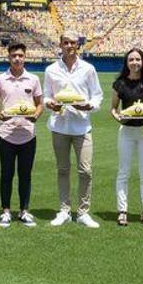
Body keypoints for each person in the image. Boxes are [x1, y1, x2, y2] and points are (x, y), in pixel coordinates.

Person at [43, 32, 103, 229]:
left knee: (85, 170)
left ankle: (83, 212)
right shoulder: (51, 69)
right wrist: (50, 104)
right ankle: (64, 210)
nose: (69, 46)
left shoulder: (88, 69)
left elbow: (97, 96)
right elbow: (46, 96)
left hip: (82, 126)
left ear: (78, 45)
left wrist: (88, 106)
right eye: (66, 42)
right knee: (62, 169)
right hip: (59, 125)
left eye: (73, 43)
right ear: (60, 44)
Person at [0, 42, 44, 228]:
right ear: (9, 57)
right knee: (6, 174)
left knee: (25, 174)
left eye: (20, 55)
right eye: (14, 55)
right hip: (6, 134)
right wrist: (0, 115)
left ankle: (24, 211)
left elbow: (39, 104)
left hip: (28, 134)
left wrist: (36, 115)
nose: (17, 58)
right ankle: (5, 211)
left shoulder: (33, 79)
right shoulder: (0, 79)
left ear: (25, 57)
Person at [110, 48, 143, 227]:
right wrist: (118, 118)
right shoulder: (120, 84)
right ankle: (122, 211)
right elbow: (114, 108)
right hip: (126, 132)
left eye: (137, 59)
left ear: (142, 61)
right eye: (131, 60)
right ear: (126, 62)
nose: (134, 63)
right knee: (123, 172)